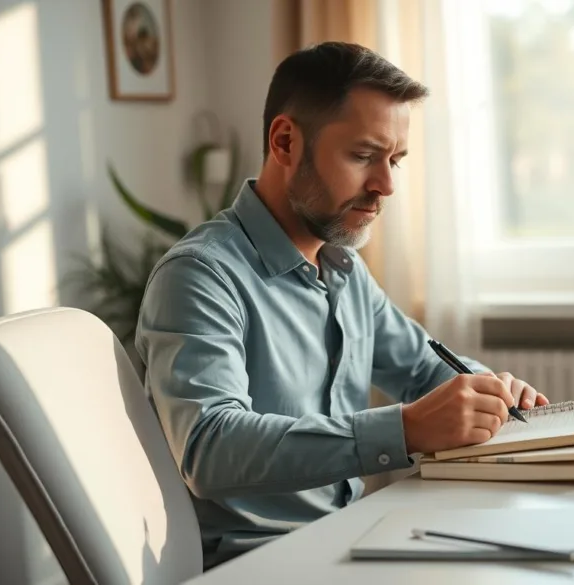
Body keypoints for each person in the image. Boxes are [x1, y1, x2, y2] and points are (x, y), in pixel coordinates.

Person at [135, 42, 548, 569]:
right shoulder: (200, 275)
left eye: (395, 160)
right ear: (285, 142)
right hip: (258, 565)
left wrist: (488, 392)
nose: (386, 185)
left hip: (351, 539)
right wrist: (405, 429)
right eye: (363, 156)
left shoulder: (344, 270)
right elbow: (210, 448)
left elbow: (425, 369)